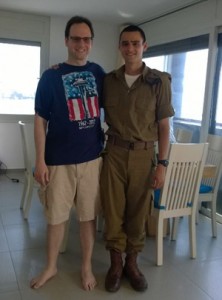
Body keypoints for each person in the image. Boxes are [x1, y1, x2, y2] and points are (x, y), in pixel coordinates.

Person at [30, 16, 105, 291]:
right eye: (76, 38)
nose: (81, 44)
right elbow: (40, 119)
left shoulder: (99, 73)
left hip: (91, 158)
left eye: (86, 39)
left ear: (91, 42)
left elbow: (120, 97)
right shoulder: (51, 76)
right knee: (56, 217)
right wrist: (40, 160)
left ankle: (86, 267)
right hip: (58, 159)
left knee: (88, 217)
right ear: (66, 41)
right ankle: (51, 266)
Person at [100, 25, 174, 292]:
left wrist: (162, 164)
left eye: (135, 43)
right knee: (113, 210)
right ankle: (116, 263)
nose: (130, 48)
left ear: (145, 46)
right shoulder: (108, 80)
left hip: (145, 155)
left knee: (139, 212)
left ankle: (133, 262)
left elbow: (164, 126)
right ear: (119, 47)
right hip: (115, 153)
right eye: (125, 43)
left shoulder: (159, 81)